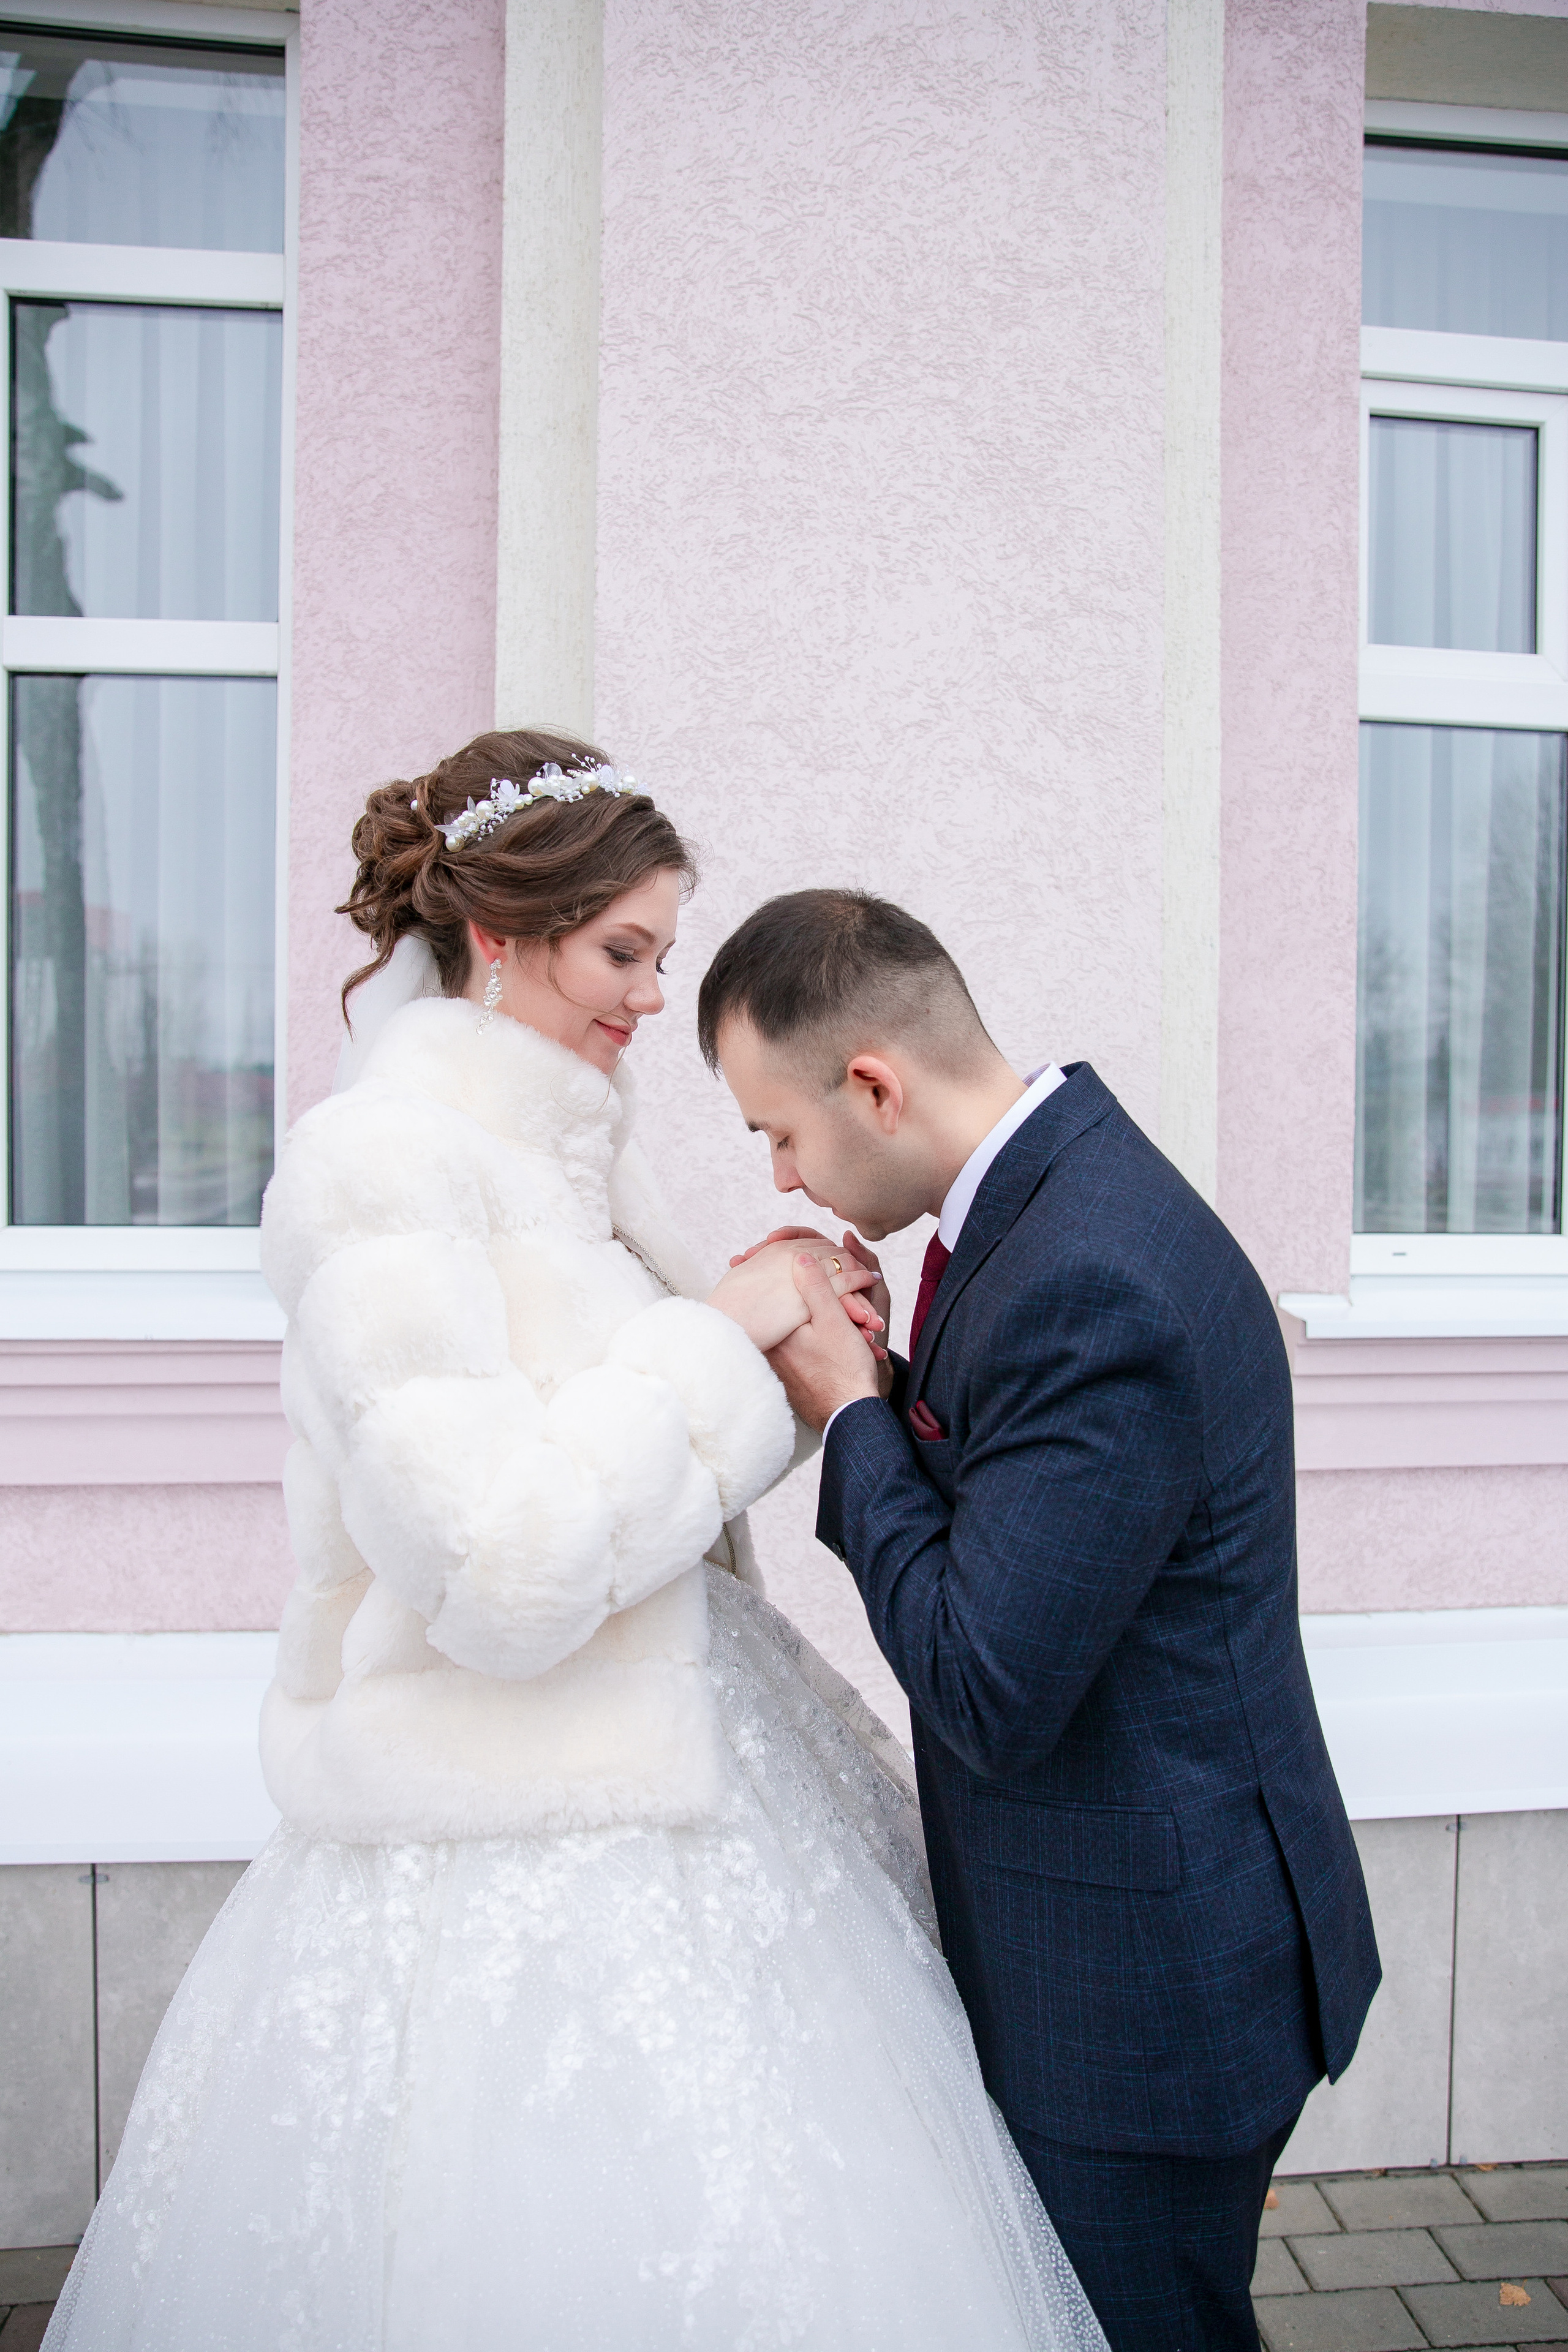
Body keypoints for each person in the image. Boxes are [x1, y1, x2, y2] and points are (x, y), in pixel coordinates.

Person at [44, 735, 1107, 2352]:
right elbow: (495, 1568)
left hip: (681, 1776)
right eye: (624, 951)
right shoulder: (379, 1171)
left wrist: (800, 1354)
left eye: (662, 954)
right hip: (494, 1838)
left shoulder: (574, 1150)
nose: (646, 998)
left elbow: (640, 1452)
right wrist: (736, 1342)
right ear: (497, 931)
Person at [698, 888, 1382, 2352]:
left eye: (779, 1129)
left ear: (870, 1084)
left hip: (1142, 2004)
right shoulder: (1046, 1205)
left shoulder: (1092, 1276)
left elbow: (985, 1678)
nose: (781, 1171)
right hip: (1137, 1944)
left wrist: (852, 1414)